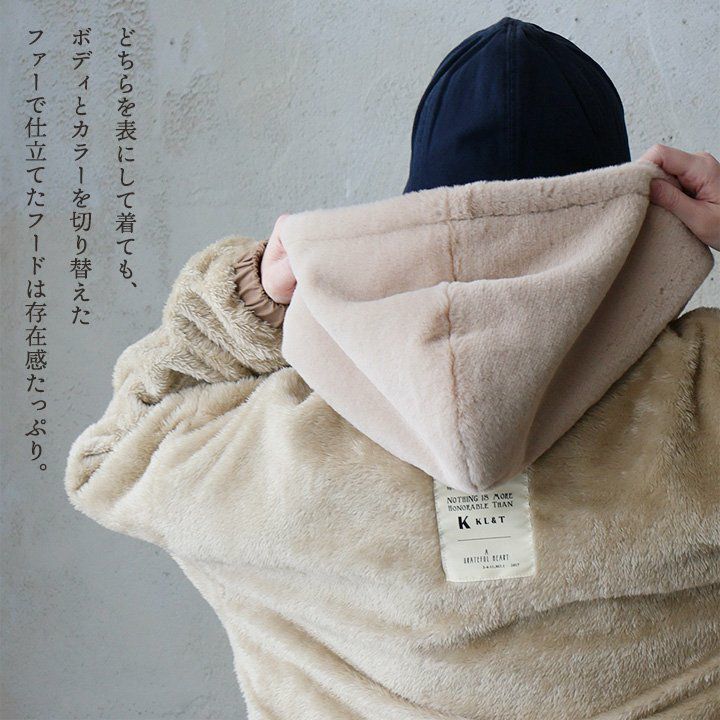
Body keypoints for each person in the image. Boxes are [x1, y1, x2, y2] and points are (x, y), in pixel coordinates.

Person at [64, 17, 720, 720]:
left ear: (417, 208)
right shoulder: (702, 397)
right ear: (629, 211)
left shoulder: (270, 450)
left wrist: (249, 297)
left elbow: (110, 456)